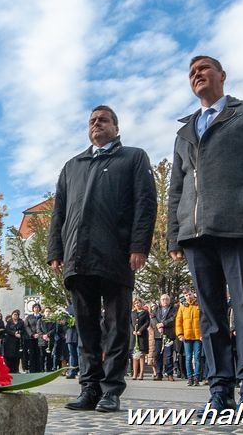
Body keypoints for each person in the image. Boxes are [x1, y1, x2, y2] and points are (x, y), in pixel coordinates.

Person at [167, 55, 243, 414]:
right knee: (210, 315)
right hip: (195, 233)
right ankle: (219, 389)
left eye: (203, 68)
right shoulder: (185, 131)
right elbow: (176, 187)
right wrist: (173, 234)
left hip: (239, 224)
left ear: (222, 75)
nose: (196, 74)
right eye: (192, 72)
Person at [48, 104, 156, 413]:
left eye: (104, 120)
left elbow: (145, 203)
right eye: (92, 121)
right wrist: (55, 251)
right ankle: (89, 388)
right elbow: (59, 211)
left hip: (116, 254)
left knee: (116, 325)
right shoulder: (72, 166)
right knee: (86, 327)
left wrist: (139, 246)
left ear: (116, 128)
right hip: (78, 256)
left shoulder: (133, 158)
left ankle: (111, 390)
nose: (97, 124)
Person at [176, 290, 202, 386]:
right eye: (186, 295)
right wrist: (180, 334)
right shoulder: (182, 306)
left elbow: (204, 319)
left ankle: (197, 378)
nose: (188, 296)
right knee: (188, 357)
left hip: (198, 336)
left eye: (189, 294)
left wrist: (202, 334)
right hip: (186, 336)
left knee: (197, 357)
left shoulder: (199, 305)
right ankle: (190, 378)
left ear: (193, 294)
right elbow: (178, 321)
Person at [151, 294, 177, 381]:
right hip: (158, 335)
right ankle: (159, 373)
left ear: (169, 300)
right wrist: (158, 326)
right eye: (163, 299)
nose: (165, 301)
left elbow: (173, 319)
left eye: (166, 299)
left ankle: (169, 374)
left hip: (169, 335)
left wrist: (163, 324)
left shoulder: (174, 308)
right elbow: (153, 318)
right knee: (158, 354)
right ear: (160, 300)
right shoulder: (156, 309)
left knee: (169, 355)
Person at [130, 298, 150, 380]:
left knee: (141, 355)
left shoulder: (145, 312)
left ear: (141, 303)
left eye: (138, 303)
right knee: (134, 356)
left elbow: (147, 322)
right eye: (135, 303)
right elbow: (130, 323)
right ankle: (135, 373)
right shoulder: (132, 313)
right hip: (134, 336)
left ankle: (141, 373)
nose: (137, 304)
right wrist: (133, 331)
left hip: (142, 336)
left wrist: (140, 330)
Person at [24, 303, 45, 373]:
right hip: (31, 338)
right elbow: (26, 326)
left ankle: (39, 369)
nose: (36, 309)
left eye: (38, 307)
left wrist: (40, 334)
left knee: (39, 353)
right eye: (35, 307)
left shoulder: (42, 317)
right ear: (33, 309)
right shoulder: (29, 317)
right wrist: (32, 334)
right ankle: (32, 369)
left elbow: (44, 327)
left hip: (40, 338)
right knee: (32, 353)